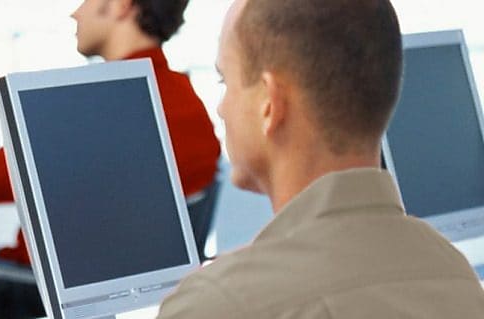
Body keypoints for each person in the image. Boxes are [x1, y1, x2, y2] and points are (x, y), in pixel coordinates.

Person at [0, 0, 220, 317]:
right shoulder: (185, 102)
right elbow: (6, 168)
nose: (74, 11)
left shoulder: (104, 101)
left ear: (121, 5)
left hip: (40, 290)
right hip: (116, 296)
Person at [158, 0, 484, 317]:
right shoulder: (454, 273)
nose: (221, 107)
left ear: (269, 104)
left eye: (224, 81)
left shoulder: (217, 304)